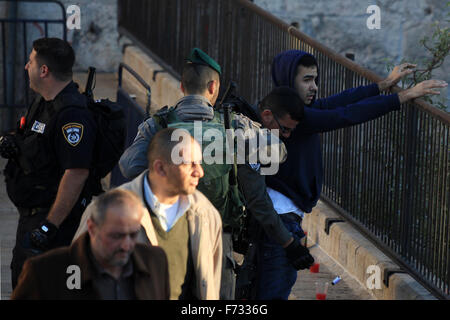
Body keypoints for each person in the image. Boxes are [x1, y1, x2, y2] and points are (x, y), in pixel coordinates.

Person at [245, 49, 447, 300]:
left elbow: (335, 102)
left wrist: (382, 85)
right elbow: (344, 115)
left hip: (282, 217)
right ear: (288, 80)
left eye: (315, 79)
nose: (314, 87)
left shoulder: (287, 110)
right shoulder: (297, 118)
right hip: (281, 220)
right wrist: (403, 96)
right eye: (306, 80)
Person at [118, 48, 313, 300]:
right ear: (213, 86)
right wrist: (240, 136)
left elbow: (128, 166)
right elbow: (278, 153)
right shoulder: (233, 127)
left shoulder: (157, 125)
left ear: (181, 86)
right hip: (217, 247)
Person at [74, 128, 223, 300]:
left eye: (199, 163)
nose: (200, 172)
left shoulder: (206, 216)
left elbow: (211, 287)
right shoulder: (105, 211)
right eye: (189, 164)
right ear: (160, 168)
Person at [0, 37, 101, 289]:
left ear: (44, 70)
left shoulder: (71, 115)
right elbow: (34, 143)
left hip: (56, 228)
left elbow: (76, 173)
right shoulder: (44, 103)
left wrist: (48, 228)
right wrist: (12, 142)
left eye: (30, 62)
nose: (26, 67)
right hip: (32, 220)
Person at [11, 188, 170, 300]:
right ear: (92, 228)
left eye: (133, 234)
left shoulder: (155, 261)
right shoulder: (45, 272)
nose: (126, 245)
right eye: (116, 236)